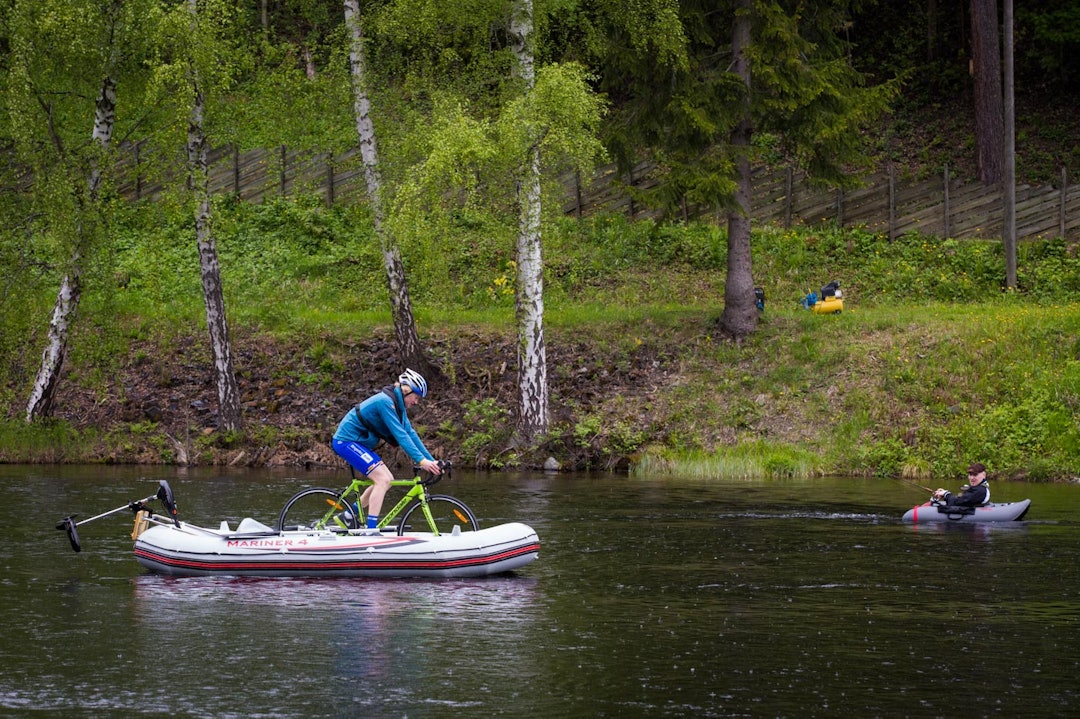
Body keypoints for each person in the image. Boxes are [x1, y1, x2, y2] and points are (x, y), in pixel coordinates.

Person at [331, 369, 442, 532]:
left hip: (358, 443)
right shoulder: (386, 402)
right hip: (346, 441)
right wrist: (421, 461)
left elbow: (411, 434)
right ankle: (371, 531)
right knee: (382, 480)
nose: (417, 402)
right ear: (406, 390)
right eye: (416, 397)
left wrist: (431, 460)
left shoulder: (398, 405)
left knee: (387, 479)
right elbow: (401, 436)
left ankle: (349, 516)